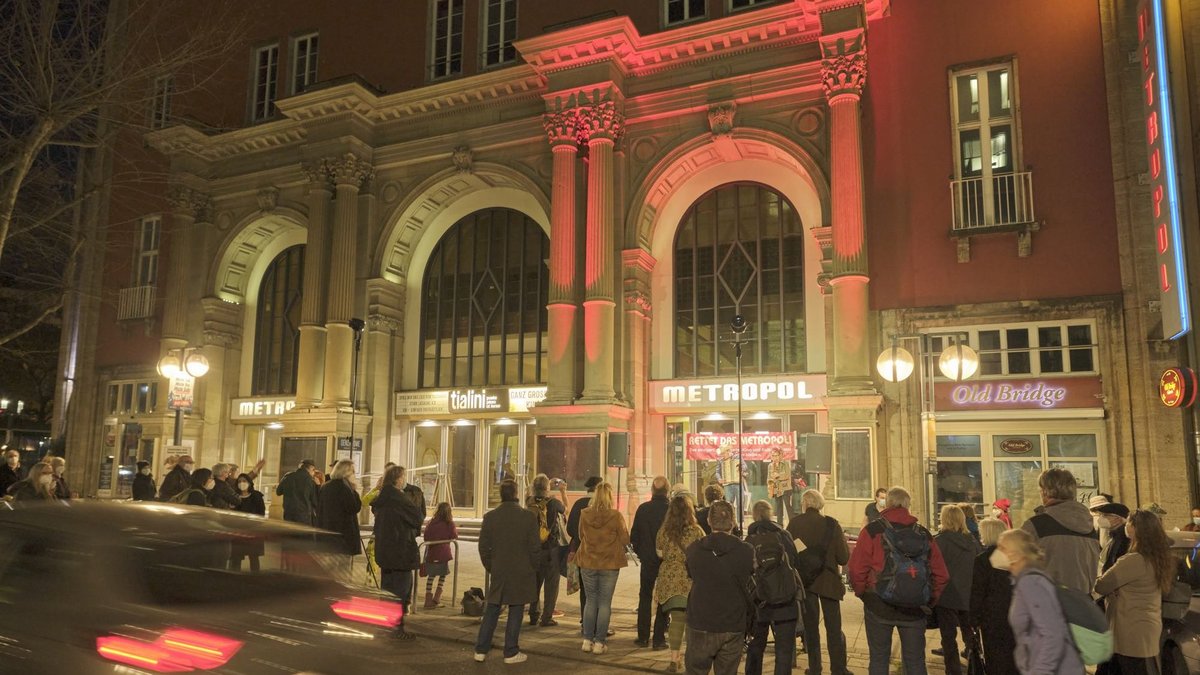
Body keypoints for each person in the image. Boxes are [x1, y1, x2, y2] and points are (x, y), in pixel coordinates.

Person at [848, 486, 949, 675]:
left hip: (879, 605)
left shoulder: (872, 530)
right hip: (915, 608)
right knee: (916, 662)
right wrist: (929, 599)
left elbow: (856, 568)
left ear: (888, 503)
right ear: (908, 505)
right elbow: (941, 574)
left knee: (879, 659)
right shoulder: (924, 534)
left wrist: (864, 594)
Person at [1094, 509, 1176, 675]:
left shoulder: (1133, 560)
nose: (1127, 525)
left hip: (1129, 631)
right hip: (1146, 629)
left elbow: (1101, 586)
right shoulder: (1158, 558)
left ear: (1137, 528)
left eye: (1129, 522)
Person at [995, 528, 1084, 675]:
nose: (997, 552)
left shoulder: (1031, 583)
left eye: (1002, 548)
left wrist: (1040, 671)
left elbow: (1053, 633)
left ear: (1016, 553)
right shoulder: (1027, 579)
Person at [684, 499, 754, 675]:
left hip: (701, 620)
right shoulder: (746, 550)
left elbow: (691, 574)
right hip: (732, 621)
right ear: (733, 522)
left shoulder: (694, 549)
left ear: (709, 521)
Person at [474, 479, 539, 664]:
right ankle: (510, 650)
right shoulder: (527, 517)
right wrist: (534, 566)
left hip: (499, 569)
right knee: (516, 608)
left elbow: (483, 547)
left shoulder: (491, 517)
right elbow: (535, 547)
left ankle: (481, 649)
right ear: (516, 494)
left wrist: (491, 566)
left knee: (492, 608)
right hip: (521, 568)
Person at [787, 488, 851, 675]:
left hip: (806, 583)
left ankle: (815, 668)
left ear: (805, 504)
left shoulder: (794, 524)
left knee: (811, 628)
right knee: (834, 628)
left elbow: (790, 554)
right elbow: (843, 558)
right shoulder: (832, 525)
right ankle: (838, 668)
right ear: (820, 504)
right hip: (829, 582)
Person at [1021, 468, 1099, 594]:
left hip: (1047, 602)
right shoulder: (1089, 526)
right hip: (1081, 603)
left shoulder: (1037, 525)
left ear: (1045, 492)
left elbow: (1017, 566)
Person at [745, 500, 799, 675]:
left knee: (755, 647)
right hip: (785, 599)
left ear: (754, 515)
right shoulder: (784, 535)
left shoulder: (749, 540)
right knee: (784, 650)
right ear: (771, 514)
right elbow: (795, 560)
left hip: (760, 601)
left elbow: (746, 572)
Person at [576, 481, 629, 655]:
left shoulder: (584, 514)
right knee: (605, 603)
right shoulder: (616, 516)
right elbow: (625, 539)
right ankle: (599, 642)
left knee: (591, 601)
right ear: (609, 497)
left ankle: (586, 640)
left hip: (588, 561)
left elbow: (580, 535)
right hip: (609, 563)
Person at [373, 465, 425, 639]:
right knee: (401, 591)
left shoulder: (382, 497)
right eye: (403, 477)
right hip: (400, 550)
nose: (404, 480)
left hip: (385, 552)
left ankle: (387, 624)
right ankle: (397, 628)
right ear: (397, 479)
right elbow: (417, 518)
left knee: (387, 590)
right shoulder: (399, 499)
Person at [655, 493, 704, 673]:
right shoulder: (696, 531)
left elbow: (659, 553)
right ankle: (691, 656)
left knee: (677, 619)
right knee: (692, 621)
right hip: (689, 579)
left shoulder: (664, 531)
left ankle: (674, 659)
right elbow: (703, 554)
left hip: (669, 578)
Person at [932, 504, 980, 675]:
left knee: (948, 638)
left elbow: (932, 567)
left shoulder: (939, 542)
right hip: (967, 595)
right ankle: (977, 666)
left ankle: (953, 670)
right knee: (970, 635)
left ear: (944, 519)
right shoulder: (972, 542)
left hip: (947, 595)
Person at [968, 518, 1017, 675]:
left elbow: (977, 592)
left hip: (993, 617)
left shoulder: (983, 560)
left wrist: (973, 619)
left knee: (996, 659)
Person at [630, 475, 671, 648]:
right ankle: (659, 638)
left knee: (645, 596)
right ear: (667, 491)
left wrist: (642, 553)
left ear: (653, 490)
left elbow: (634, 536)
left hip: (648, 560)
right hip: (667, 560)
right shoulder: (672, 510)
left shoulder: (643, 509)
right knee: (663, 598)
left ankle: (643, 636)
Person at [525, 473, 566, 627]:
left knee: (535, 583)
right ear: (547, 488)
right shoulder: (554, 503)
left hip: (534, 550)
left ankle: (533, 614)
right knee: (551, 584)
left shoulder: (529, 502)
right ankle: (547, 617)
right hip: (551, 549)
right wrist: (562, 491)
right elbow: (565, 509)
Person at [317, 460, 363, 581]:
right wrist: (354, 490)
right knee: (342, 573)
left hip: (328, 536)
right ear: (346, 472)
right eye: (352, 471)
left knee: (330, 572)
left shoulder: (325, 486)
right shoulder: (345, 488)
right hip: (343, 538)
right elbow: (354, 507)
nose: (354, 474)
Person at [567, 475, 601, 626]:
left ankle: (585, 620)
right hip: (598, 553)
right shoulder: (602, 505)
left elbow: (570, 529)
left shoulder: (578, 504)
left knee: (585, 589)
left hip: (581, 550)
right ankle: (596, 623)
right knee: (598, 590)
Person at [421, 501, 457, 609]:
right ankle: (436, 598)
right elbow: (454, 535)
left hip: (432, 553)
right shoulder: (449, 523)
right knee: (442, 575)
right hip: (443, 554)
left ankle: (428, 599)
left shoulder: (431, 522)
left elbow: (426, 536)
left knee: (431, 576)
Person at [231, 473, 266, 571]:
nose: (242, 483)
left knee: (253, 557)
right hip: (238, 531)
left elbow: (261, 513)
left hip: (253, 530)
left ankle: (255, 578)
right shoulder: (234, 496)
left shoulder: (256, 496)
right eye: (239, 481)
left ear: (249, 483)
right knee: (236, 557)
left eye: (244, 481)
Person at [276, 459, 319, 525]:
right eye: (313, 470)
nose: (313, 473)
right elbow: (315, 501)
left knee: (290, 534)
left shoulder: (287, 476)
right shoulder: (310, 480)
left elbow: (278, 492)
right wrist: (318, 485)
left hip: (288, 514)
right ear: (311, 468)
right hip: (304, 516)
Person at [1095, 502, 1130, 577]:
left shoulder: (1122, 538)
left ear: (1117, 519)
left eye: (1105, 515)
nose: (1101, 518)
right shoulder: (1114, 535)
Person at [766, 449, 790, 524]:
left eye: (776, 455)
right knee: (779, 509)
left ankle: (793, 523)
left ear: (780, 456)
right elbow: (769, 478)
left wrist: (778, 475)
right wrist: (770, 487)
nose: (775, 457)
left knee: (788, 506)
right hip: (776, 488)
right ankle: (780, 525)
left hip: (785, 488)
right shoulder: (770, 466)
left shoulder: (785, 463)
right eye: (773, 456)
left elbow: (787, 475)